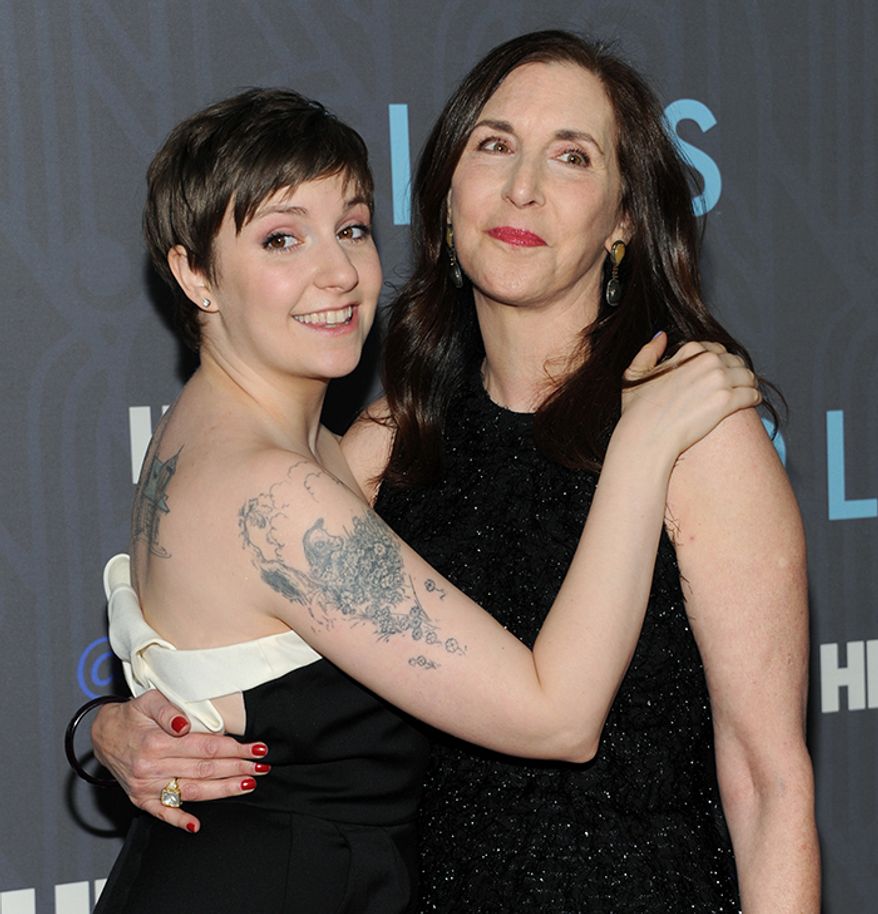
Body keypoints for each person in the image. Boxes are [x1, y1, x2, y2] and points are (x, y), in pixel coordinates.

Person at [86, 29, 818, 912]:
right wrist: (114, 727)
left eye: (572, 156)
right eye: (495, 144)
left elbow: (768, 782)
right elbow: (227, 632)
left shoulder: (692, 427)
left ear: (624, 219)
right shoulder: (399, 429)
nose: (523, 187)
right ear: (444, 193)